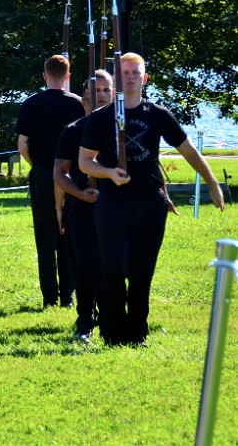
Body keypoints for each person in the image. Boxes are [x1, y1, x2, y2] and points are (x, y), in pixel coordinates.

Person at [79, 52, 225, 346]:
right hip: (112, 202)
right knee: (114, 266)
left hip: (149, 202)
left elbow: (189, 151)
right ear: (117, 79)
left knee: (142, 270)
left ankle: (137, 334)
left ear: (144, 78)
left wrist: (212, 182)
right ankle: (112, 332)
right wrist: (108, 173)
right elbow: (85, 162)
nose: (130, 77)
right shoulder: (99, 118)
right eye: (125, 72)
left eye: (136, 72)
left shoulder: (157, 115)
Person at [16, 55, 84, 308]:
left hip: (43, 173)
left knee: (44, 238)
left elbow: (23, 145)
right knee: (67, 234)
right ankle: (67, 296)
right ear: (68, 75)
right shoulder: (78, 104)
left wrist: (39, 167)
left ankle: (49, 298)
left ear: (45, 75)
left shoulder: (31, 104)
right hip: (70, 176)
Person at [53, 70, 114, 342]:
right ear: (85, 96)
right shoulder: (73, 130)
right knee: (87, 267)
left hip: (115, 207)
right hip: (82, 209)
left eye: (106, 90)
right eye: (95, 91)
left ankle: (112, 318)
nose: (101, 95)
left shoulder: (122, 129)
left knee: (112, 266)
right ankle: (85, 321)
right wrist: (77, 193)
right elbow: (59, 173)